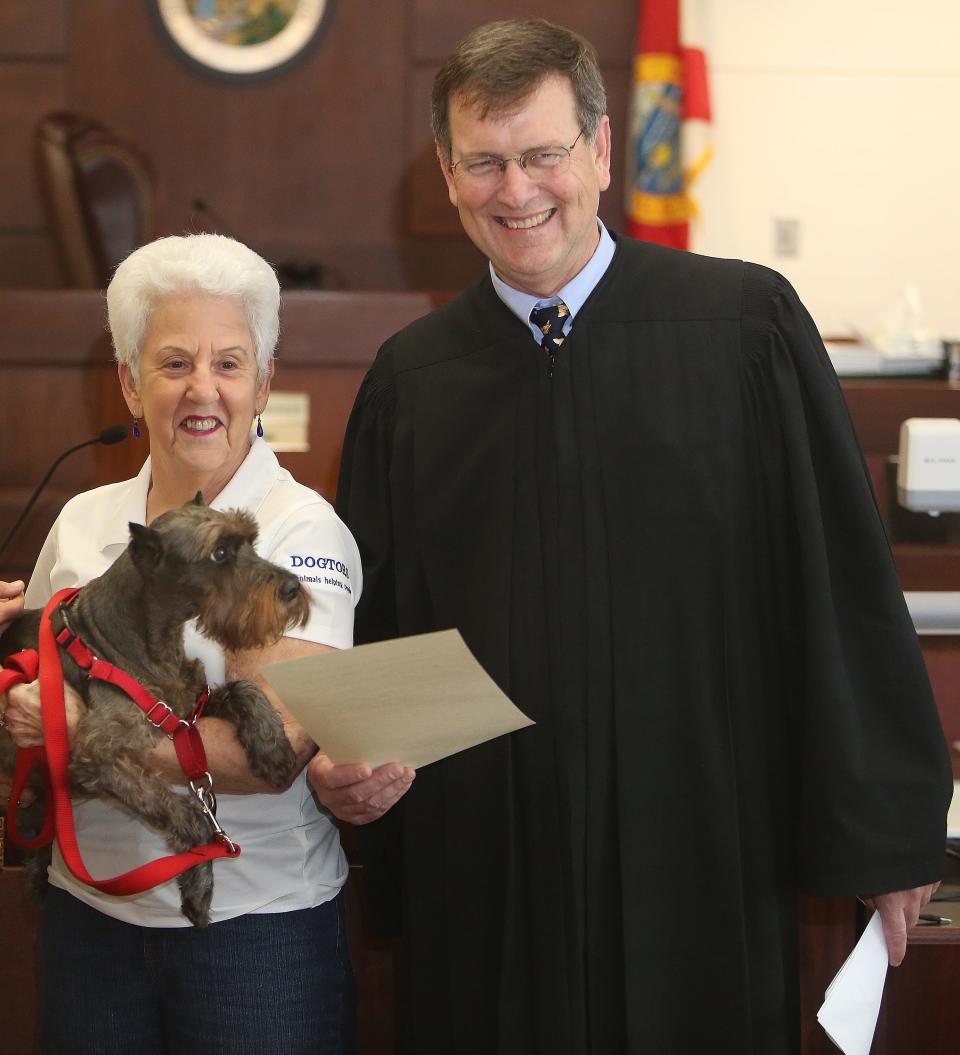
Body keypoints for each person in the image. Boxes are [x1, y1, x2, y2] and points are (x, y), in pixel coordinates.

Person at [307, 18, 953, 1055]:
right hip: (493, 864)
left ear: (603, 152)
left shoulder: (744, 328)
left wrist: (888, 821)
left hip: (700, 844)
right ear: (447, 172)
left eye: (543, 154)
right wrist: (344, 763)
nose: (517, 190)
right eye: (485, 161)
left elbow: (839, 578)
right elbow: (376, 625)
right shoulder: (411, 381)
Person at [0, 234, 363, 1055]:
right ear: (130, 382)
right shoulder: (85, 521)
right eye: (173, 364)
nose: (204, 389)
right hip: (88, 923)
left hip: (254, 936)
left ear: (265, 382)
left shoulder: (301, 531)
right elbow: (31, 684)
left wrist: (73, 731)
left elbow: (264, 754)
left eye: (230, 364)